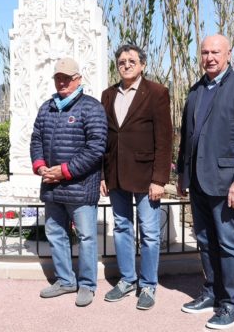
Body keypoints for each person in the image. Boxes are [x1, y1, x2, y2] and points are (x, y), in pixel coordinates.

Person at [177, 34, 234, 330]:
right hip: (198, 182)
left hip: (227, 184)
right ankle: (212, 292)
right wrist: (181, 174)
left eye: (215, 52)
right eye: (204, 52)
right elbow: (186, 138)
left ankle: (232, 305)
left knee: (228, 244)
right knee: (204, 241)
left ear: (228, 54)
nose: (209, 57)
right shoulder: (196, 90)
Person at [100, 44, 172, 310]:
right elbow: (104, 138)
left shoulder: (156, 93)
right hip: (115, 174)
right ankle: (128, 279)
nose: (126, 64)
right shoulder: (107, 95)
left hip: (146, 176)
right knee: (121, 228)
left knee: (150, 233)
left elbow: (164, 139)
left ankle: (148, 284)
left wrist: (159, 179)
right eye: (121, 61)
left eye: (131, 60)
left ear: (142, 64)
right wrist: (102, 175)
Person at [30, 57, 107, 307]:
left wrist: (64, 171)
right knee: (55, 234)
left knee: (86, 236)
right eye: (58, 77)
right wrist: (40, 166)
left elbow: (96, 148)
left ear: (78, 79)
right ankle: (65, 280)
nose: (62, 82)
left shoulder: (91, 107)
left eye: (67, 77)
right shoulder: (47, 107)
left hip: (80, 187)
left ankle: (86, 284)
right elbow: (36, 139)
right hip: (52, 186)